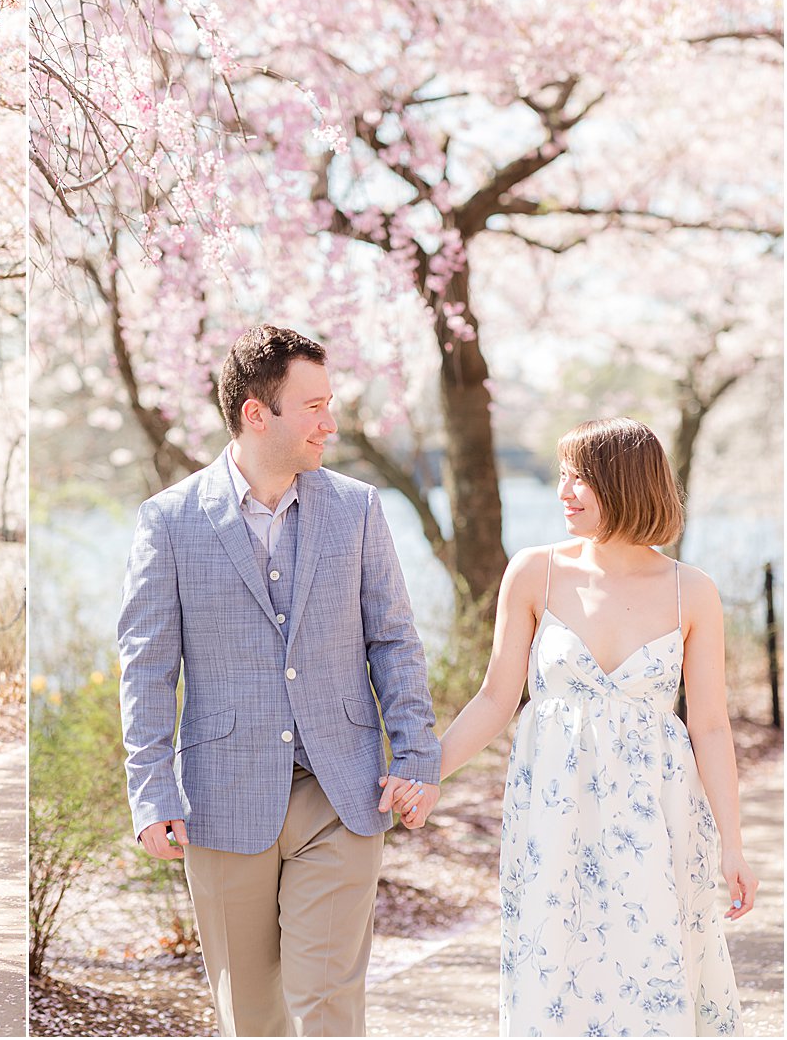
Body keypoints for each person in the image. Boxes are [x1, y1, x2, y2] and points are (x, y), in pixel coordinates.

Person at [117, 325, 441, 1037]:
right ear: (256, 413)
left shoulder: (357, 509)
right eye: (314, 405)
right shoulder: (169, 521)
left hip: (342, 791)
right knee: (253, 1019)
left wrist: (416, 757)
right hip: (222, 798)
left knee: (326, 1004)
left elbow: (392, 639)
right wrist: (151, 788)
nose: (330, 421)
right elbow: (146, 665)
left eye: (331, 403)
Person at [412, 417, 755, 1036]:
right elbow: (495, 698)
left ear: (626, 485)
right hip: (553, 808)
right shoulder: (535, 571)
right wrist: (423, 772)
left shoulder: (692, 591)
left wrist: (732, 845)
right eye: (563, 475)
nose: (564, 492)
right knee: (554, 969)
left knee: (652, 968)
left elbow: (709, 726)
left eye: (582, 479)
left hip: (657, 812)